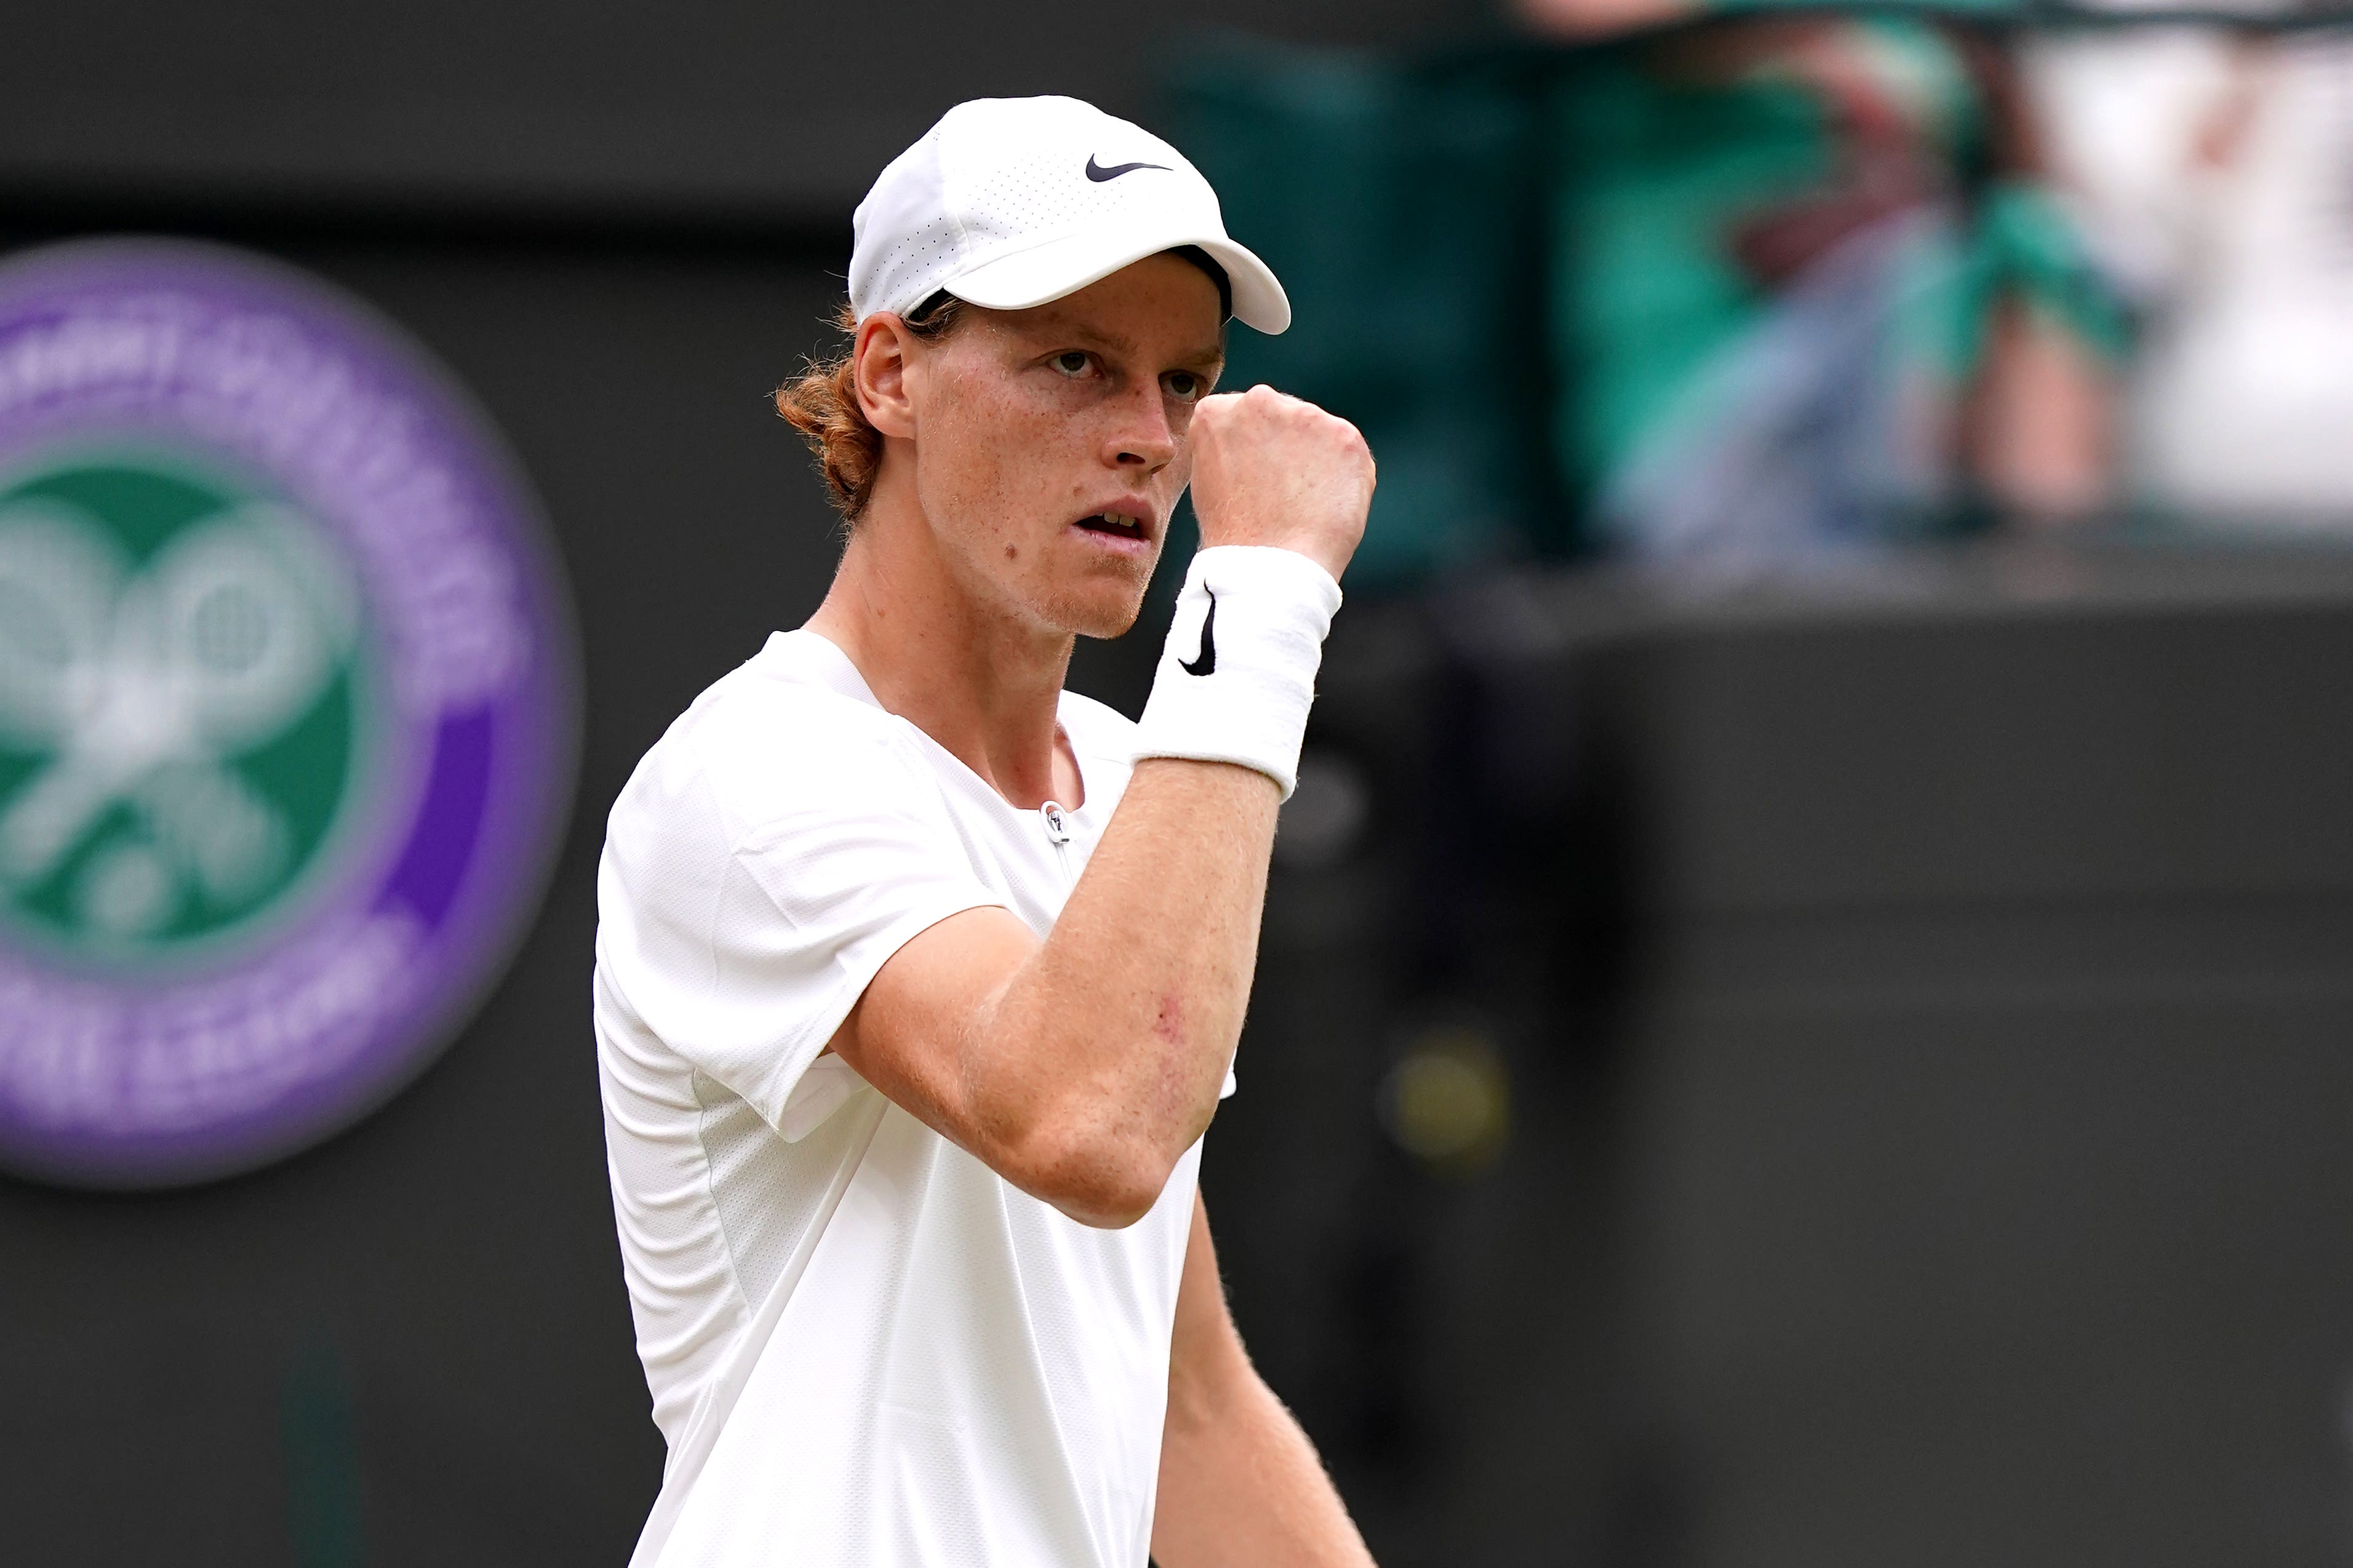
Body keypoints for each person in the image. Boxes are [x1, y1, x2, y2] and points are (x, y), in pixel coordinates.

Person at [593, 95, 1380, 1568]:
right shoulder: (753, 776)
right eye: (1074, 362)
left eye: (1184, 381)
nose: (1150, 439)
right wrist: (1263, 600)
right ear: (889, 373)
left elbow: (1186, 1408)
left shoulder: (1141, 778)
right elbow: (1083, 1121)